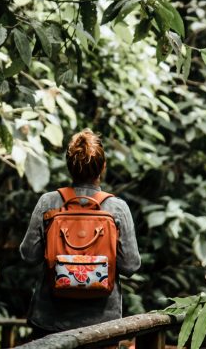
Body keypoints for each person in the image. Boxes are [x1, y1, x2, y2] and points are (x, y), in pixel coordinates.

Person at [19, 129, 141, 338]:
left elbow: (28, 255)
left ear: (69, 166)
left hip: (50, 320)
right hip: (102, 325)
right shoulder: (116, 208)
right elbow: (130, 265)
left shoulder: (49, 202)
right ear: (102, 167)